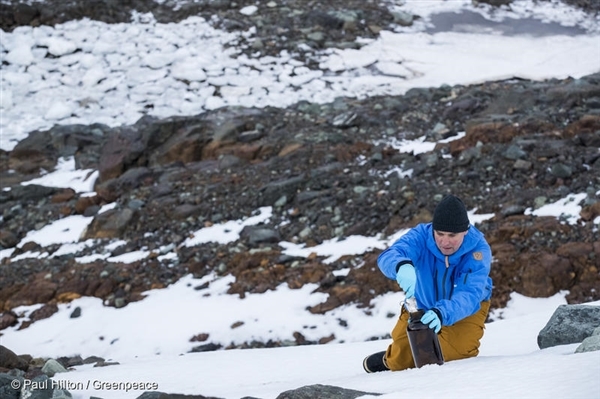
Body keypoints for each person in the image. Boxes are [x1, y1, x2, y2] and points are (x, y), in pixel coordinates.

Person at [363, 194, 493, 372]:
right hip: (423, 302)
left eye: (452, 235)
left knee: (452, 356)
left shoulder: (478, 250)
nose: (445, 242)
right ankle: (390, 360)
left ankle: (432, 345)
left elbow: (470, 293)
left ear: (465, 231)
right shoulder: (421, 236)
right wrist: (401, 265)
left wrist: (441, 313)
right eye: (440, 234)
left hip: (466, 309)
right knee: (399, 363)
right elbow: (391, 254)